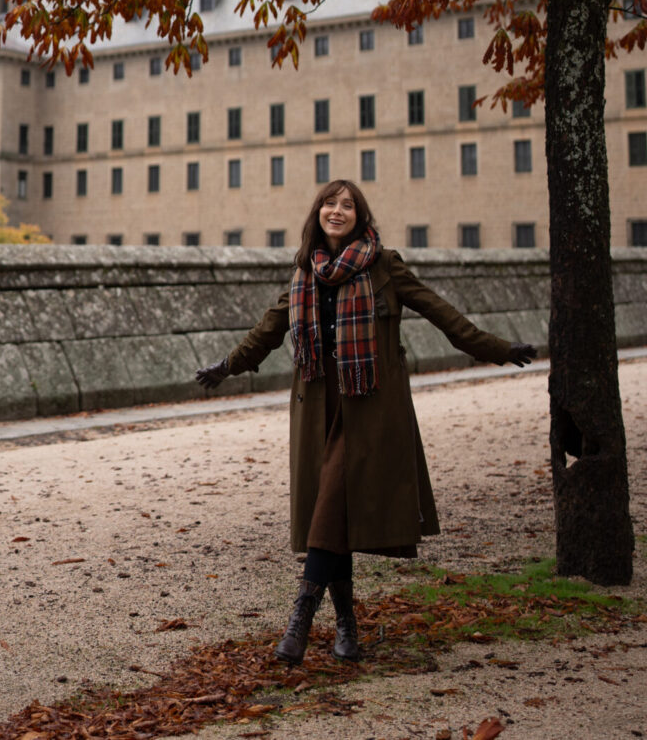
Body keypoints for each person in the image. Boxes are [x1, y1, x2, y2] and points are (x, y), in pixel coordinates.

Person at [196, 179, 537, 666]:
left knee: (331, 503)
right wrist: (226, 366)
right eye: (330, 204)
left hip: (369, 405)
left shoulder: (383, 265)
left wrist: (498, 349)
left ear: (360, 215)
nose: (337, 211)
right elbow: (268, 331)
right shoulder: (304, 273)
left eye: (347, 205)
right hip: (318, 404)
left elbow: (442, 313)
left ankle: (300, 620)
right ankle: (347, 631)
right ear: (318, 213)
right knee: (334, 516)